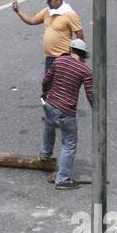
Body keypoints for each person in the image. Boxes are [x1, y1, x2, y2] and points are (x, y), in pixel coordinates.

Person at [40, 38, 92, 189]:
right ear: (83, 55)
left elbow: (46, 79)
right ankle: (62, 179)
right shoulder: (85, 71)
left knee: (49, 124)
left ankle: (44, 154)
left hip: (50, 104)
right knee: (69, 143)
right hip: (65, 111)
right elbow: (91, 95)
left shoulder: (59, 61)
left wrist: (44, 92)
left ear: (71, 50)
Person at [10, 0, 84, 76]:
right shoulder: (47, 11)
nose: (47, 2)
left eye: (50, 0)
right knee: (49, 86)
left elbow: (79, 34)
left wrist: (77, 56)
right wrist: (18, 11)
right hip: (50, 58)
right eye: (47, 0)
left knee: (62, 87)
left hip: (63, 57)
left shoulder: (69, 14)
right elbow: (32, 21)